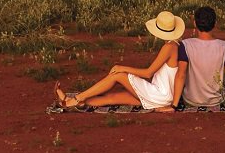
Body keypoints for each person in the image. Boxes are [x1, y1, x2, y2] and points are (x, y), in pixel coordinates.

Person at [54, 10, 185, 112]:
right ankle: (71, 102)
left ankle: (77, 98)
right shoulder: (175, 45)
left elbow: (148, 73)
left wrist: (122, 67)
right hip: (163, 97)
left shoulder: (168, 47)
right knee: (112, 98)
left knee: (118, 75)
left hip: (159, 95)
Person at [175, 5, 225, 109]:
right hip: (217, 101)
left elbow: (181, 75)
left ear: (195, 23)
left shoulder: (185, 45)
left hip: (191, 100)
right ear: (215, 24)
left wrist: (174, 105)